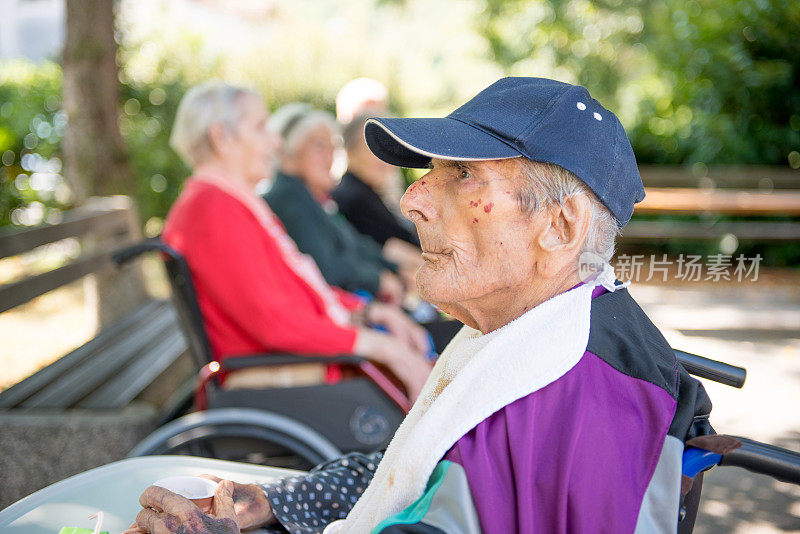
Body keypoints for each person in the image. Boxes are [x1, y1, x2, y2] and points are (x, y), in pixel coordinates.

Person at [126, 77, 713, 534]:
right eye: (429, 172)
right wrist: (272, 503)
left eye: (460, 175)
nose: (412, 200)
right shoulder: (527, 327)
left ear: (559, 227)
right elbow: (411, 475)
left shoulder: (569, 396)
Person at [160, 82, 431, 394]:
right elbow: (273, 323)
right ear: (222, 137)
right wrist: (382, 347)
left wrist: (368, 310)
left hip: (289, 363)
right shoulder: (213, 208)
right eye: (261, 128)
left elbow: (292, 288)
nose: (276, 142)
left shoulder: (224, 202)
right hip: (279, 375)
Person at [264, 103, 408, 305]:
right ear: (290, 152)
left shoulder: (310, 196)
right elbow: (323, 266)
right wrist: (378, 279)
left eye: (332, 147)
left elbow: (356, 245)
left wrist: (396, 269)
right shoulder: (288, 197)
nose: (330, 157)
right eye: (319, 146)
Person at [333, 112, 421, 249]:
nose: (385, 158)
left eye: (390, 147)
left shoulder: (368, 192)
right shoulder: (352, 198)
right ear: (350, 151)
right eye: (373, 148)